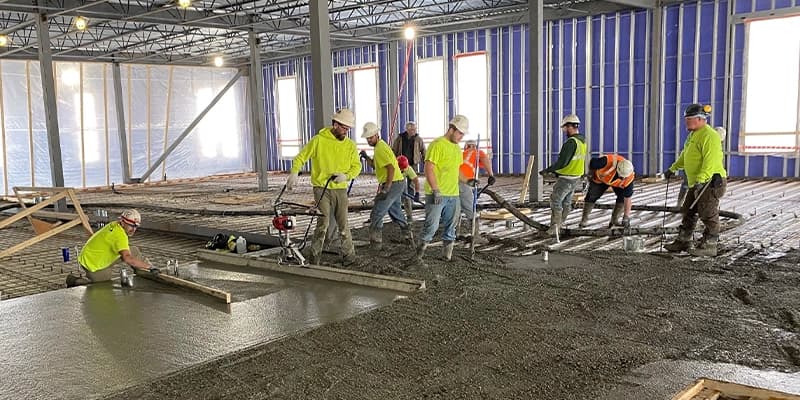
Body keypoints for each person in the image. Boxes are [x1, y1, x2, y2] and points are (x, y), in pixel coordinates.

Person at [286, 109, 362, 266]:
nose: (346, 131)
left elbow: (356, 166)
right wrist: (294, 172)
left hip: (340, 189)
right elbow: (301, 157)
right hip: (322, 189)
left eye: (348, 129)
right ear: (335, 124)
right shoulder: (319, 140)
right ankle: (315, 258)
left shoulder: (350, 145)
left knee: (343, 224)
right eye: (343, 127)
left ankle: (350, 257)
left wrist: (346, 176)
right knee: (323, 224)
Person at [663, 104, 727, 257]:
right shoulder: (693, 135)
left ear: (700, 119)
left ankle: (710, 245)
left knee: (707, 213)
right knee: (689, 211)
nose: (686, 122)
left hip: (709, 183)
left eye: (689, 119)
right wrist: (673, 168)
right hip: (697, 182)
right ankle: (683, 240)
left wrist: (701, 179)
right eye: (686, 119)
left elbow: (710, 161)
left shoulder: (709, 136)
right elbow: (686, 156)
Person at [416, 115, 468, 262]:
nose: (461, 137)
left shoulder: (457, 148)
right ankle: (418, 255)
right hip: (437, 194)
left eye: (463, 134)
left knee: (451, 226)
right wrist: (435, 190)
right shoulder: (437, 144)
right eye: (460, 133)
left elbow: (456, 171)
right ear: (451, 129)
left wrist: (469, 180)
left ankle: (447, 256)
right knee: (431, 226)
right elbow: (429, 168)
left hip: (453, 194)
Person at [66, 209, 157, 287]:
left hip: (93, 254)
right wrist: (149, 266)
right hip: (92, 263)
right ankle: (74, 281)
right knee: (101, 286)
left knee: (134, 251)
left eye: (135, 226)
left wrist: (146, 267)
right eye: (131, 226)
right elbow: (127, 258)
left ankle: (144, 272)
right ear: (122, 222)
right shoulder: (119, 236)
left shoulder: (115, 224)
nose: (133, 229)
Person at [360, 122, 413, 249]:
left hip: (393, 183)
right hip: (397, 183)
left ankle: (375, 243)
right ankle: (407, 236)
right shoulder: (379, 147)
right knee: (395, 211)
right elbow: (375, 165)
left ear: (376, 135)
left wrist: (387, 187)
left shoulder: (381, 148)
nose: (369, 140)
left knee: (377, 212)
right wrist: (366, 157)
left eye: (371, 137)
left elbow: (390, 168)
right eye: (367, 138)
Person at [539, 114, 587, 235]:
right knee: (566, 202)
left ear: (570, 126)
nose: (564, 130)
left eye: (565, 127)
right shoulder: (582, 141)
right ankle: (560, 224)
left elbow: (562, 162)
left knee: (555, 201)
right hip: (576, 177)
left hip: (566, 178)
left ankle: (554, 228)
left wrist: (547, 170)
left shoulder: (570, 143)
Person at [579, 154, 635, 229]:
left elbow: (627, 199)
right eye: (621, 176)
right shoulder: (606, 161)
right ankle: (584, 220)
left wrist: (626, 217)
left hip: (617, 184)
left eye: (624, 177)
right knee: (591, 196)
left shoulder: (629, 178)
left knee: (622, 197)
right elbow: (592, 162)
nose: (623, 178)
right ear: (617, 169)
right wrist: (591, 174)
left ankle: (614, 221)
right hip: (599, 179)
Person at [458, 139, 496, 240]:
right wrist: (491, 175)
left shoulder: (461, 154)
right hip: (463, 183)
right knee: (471, 209)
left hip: (452, 182)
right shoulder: (477, 152)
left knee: (456, 208)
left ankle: (453, 234)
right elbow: (485, 160)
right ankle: (476, 236)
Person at [396, 155, 421, 223]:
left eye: (404, 169)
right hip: (392, 180)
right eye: (401, 169)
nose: (403, 170)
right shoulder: (392, 167)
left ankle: (409, 216)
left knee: (406, 198)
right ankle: (397, 217)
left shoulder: (408, 168)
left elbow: (416, 180)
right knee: (394, 199)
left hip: (402, 180)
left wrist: (417, 193)